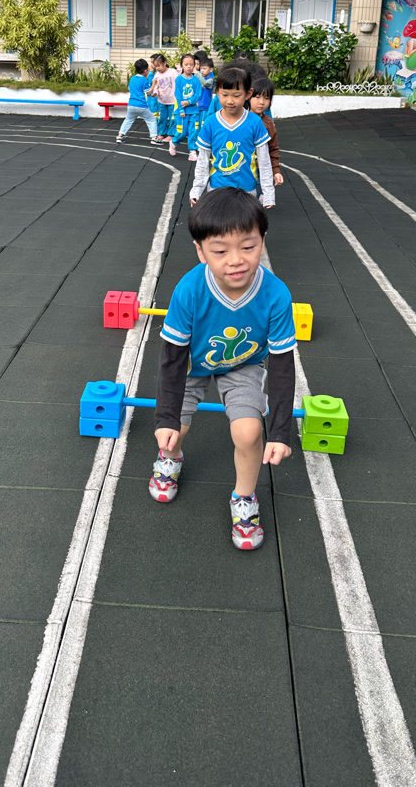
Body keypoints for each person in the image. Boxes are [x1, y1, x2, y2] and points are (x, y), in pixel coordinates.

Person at [151, 188, 296, 550]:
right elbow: (172, 358)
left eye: (248, 246)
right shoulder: (189, 290)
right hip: (191, 365)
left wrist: (280, 432)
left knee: (249, 433)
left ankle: (244, 498)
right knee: (175, 431)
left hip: (242, 365)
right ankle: (170, 458)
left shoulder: (276, 295)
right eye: (220, 251)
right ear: (200, 251)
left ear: (262, 241)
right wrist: (166, 417)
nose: (236, 260)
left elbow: (282, 366)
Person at [190, 64, 276, 208]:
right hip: (217, 189)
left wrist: (268, 194)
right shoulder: (210, 123)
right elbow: (203, 160)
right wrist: (197, 190)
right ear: (217, 92)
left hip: (247, 191)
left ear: (248, 94)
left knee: (245, 222)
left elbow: (264, 160)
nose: (230, 101)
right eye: (225, 95)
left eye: (236, 96)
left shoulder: (255, 122)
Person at [248, 76, 284, 190]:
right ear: (248, 96)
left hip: (260, 172)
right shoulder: (239, 119)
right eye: (257, 97)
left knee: (256, 198)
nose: (261, 102)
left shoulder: (268, 123)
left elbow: (273, 148)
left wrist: (276, 171)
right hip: (239, 170)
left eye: (267, 98)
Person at [117, 58, 161, 145]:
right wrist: (153, 84)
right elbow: (148, 93)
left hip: (131, 104)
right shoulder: (144, 80)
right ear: (145, 70)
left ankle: (120, 136)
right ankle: (154, 138)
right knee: (151, 120)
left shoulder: (132, 78)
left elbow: (130, 89)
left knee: (128, 120)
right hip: (141, 105)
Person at [170, 54, 203, 160]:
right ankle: (174, 142)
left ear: (194, 66)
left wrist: (189, 102)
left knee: (194, 131)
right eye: (186, 64)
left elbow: (198, 94)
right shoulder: (179, 79)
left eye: (191, 64)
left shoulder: (196, 80)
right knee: (181, 133)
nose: (189, 66)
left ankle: (192, 151)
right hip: (181, 111)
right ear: (182, 65)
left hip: (193, 110)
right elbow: (178, 95)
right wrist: (181, 109)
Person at [148, 54, 177, 141]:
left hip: (172, 100)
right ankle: (162, 133)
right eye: (156, 66)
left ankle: (171, 134)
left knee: (172, 118)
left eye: (159, 66)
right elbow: (156, 86)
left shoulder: (172, 72)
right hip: (162, 101)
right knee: (162, 118)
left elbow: (179, 80)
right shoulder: (157, 74)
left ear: (164, 63)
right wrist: (155, 93)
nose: (157, 68)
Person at [196, 56, 215, 130]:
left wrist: (197, 73)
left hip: (205, 106)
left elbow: (204, 83)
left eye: (204, 69)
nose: (202, 71)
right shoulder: (199, 78)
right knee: (196, 126)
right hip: (197, 106)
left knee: (203, 126)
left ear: (211, 69)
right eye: (201, 68)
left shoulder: (211, 80)